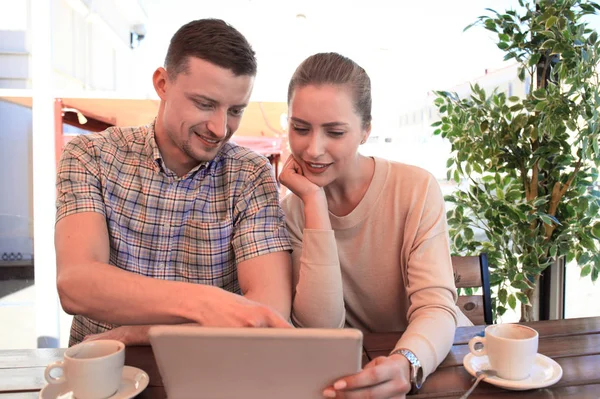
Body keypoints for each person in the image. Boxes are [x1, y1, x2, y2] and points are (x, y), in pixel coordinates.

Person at [55, 18, 293, 347]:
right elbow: (75, 285)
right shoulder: (91, 155)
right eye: (205, 104)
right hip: (105, 379)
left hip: (206, 377)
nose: (220, 128)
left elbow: (269, 310)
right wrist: (209, 305)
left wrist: (138, 334)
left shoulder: (250, 173)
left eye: (235, 110)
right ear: (162, 83)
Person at [279, 52, 472, 399]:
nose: (313, 149)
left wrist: (406, 361)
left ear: (366, 130)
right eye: (300, 128)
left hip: (432, 360)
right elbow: (322, 329)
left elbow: (436, 306)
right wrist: (314, 204)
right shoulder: (294, 208)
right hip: (352, 370)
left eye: (335, 131)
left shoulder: (415, 188)